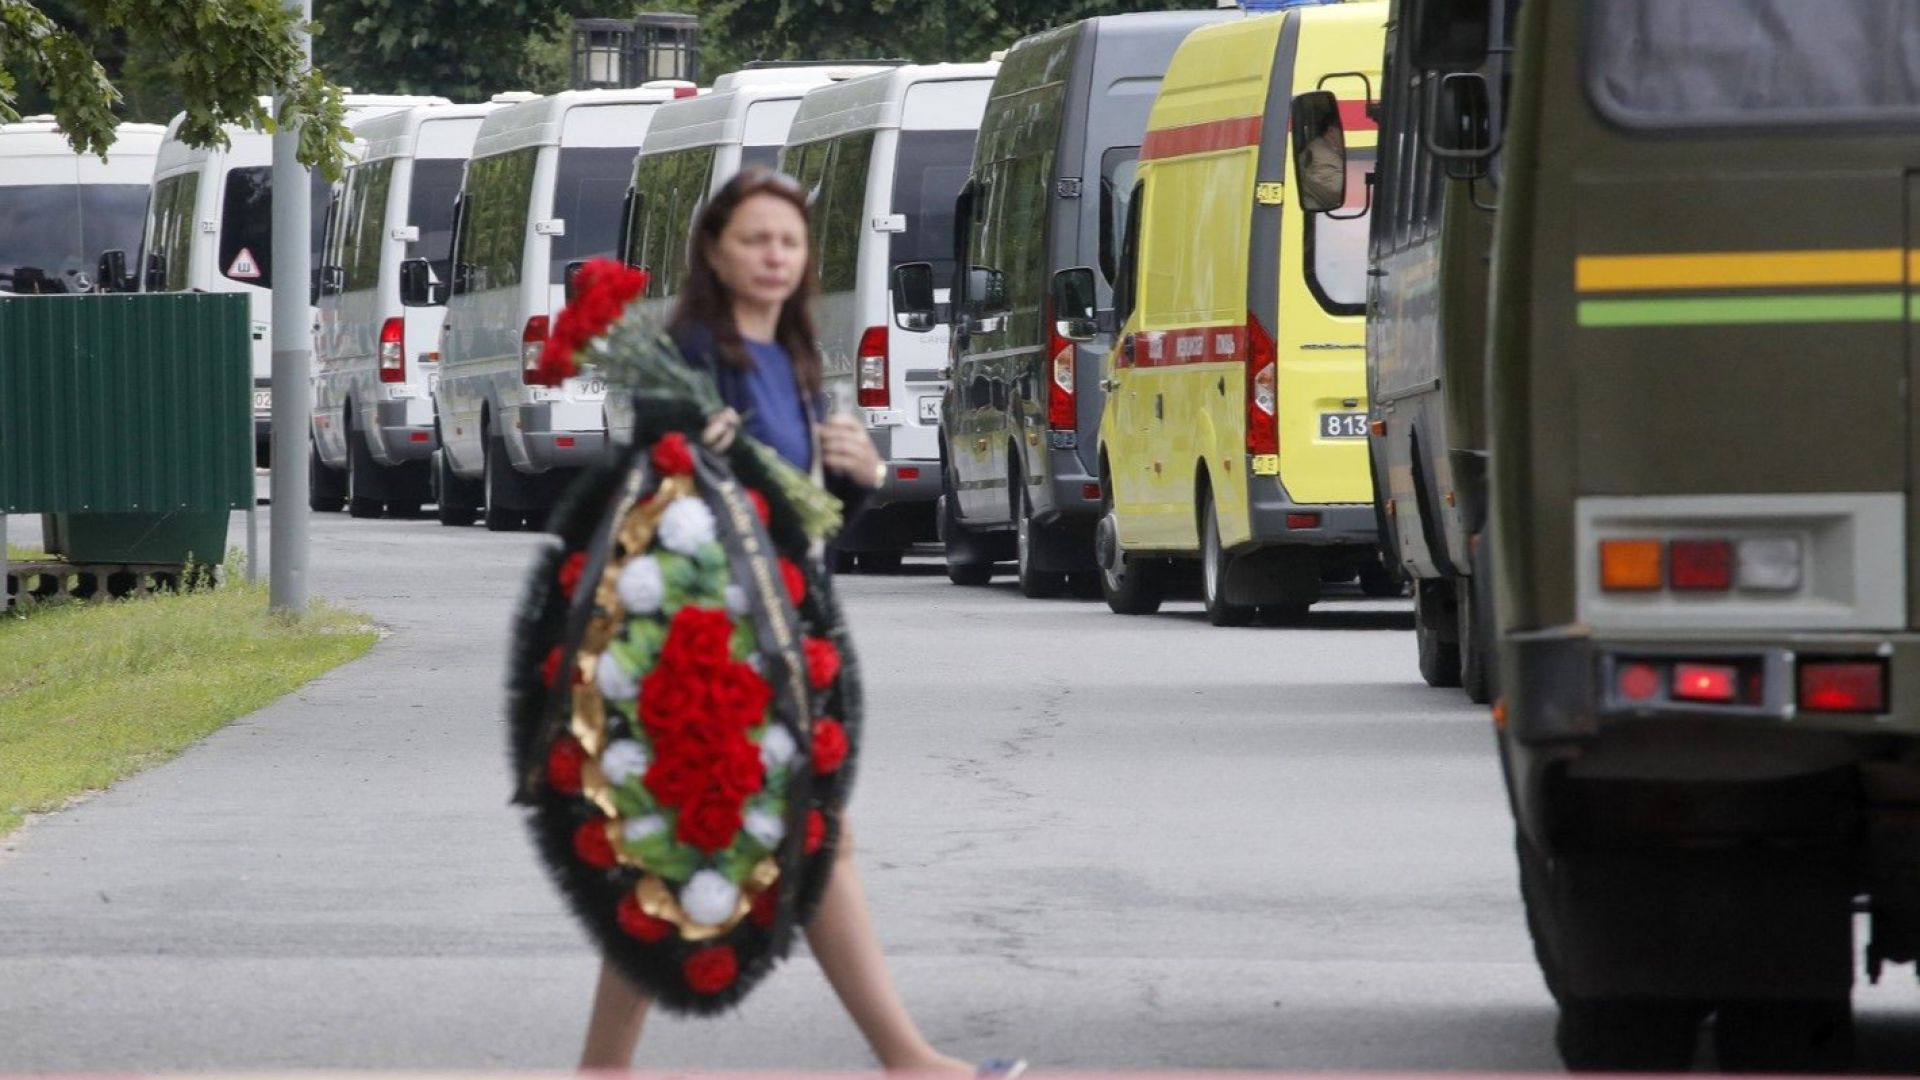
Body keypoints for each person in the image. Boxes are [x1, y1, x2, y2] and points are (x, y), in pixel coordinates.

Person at [577, 167, 1019, 1078]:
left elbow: (800, 525)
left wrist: (854, 479)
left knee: (753, 842)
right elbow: (665, 505)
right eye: (755, 239)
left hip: (779, 632)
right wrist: (703, 458)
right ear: (714, 252)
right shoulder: (689, 361)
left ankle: (609, 1069)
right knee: (752, 841)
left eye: (789, 241)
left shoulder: (793, 358)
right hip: (710, 640)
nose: (775, 256)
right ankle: (905, 1058)